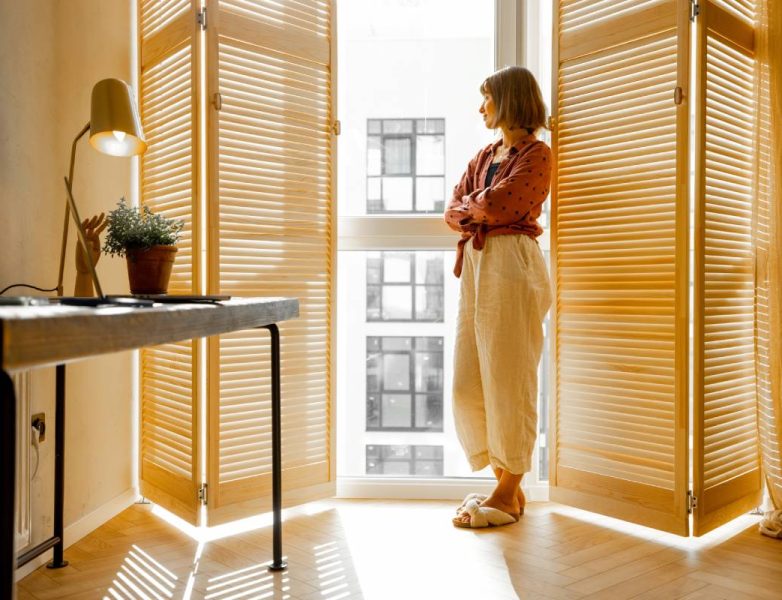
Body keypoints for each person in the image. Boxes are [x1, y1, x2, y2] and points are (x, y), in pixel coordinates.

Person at [445, 66, 553, 528]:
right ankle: (505, 485)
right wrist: (475, 209)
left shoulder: (538, 154)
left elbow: (502, 206)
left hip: (513, 265)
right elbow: (453, 209)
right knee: (468, 383)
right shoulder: (486, 154)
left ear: (507, 101)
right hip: (476, 265)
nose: (480, 108)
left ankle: (507, 492)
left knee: (510, 380)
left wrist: (475, 208)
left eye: (486, 99)